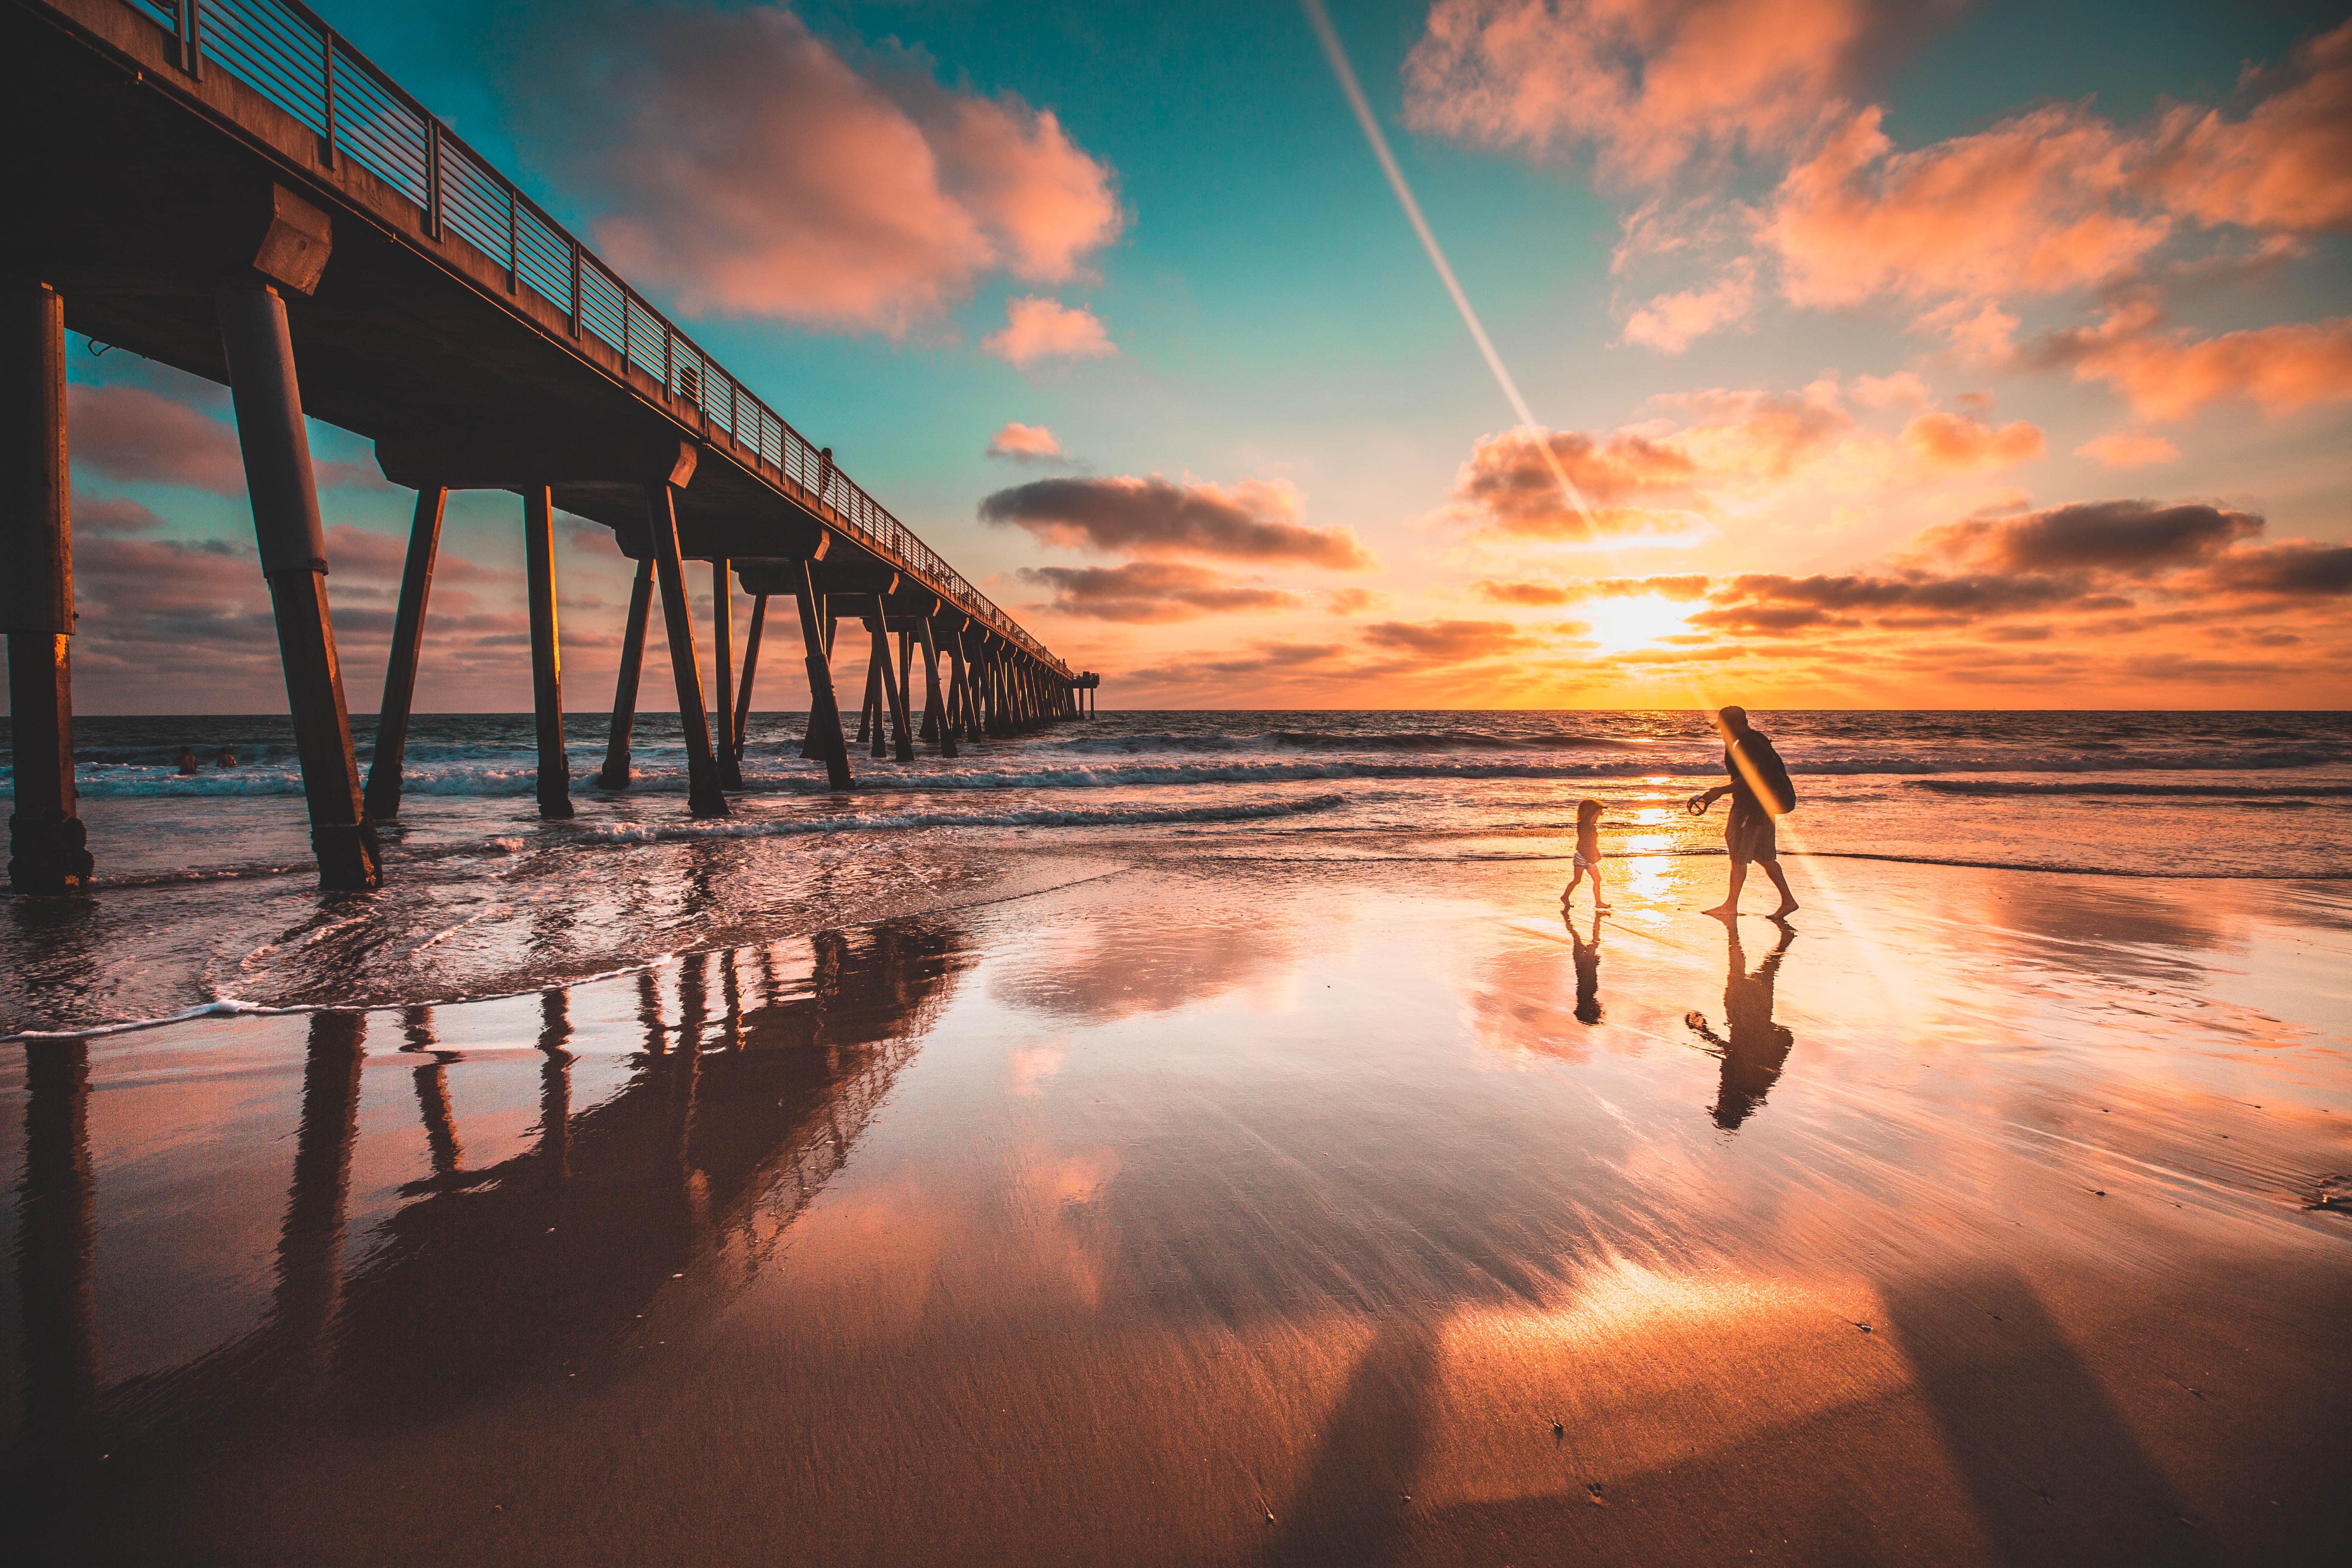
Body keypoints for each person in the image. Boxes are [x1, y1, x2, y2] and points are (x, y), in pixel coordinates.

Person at [1687, 706, 1798, 919]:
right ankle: (1789, 901)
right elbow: (1735, 769)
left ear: (1737, 725)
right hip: (1762, 806)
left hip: (1752, 807)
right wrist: (1729, 743)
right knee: (1764, 856)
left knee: (1739, 853)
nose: (1723, 732)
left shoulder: (1750, 745)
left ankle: (1730, 906)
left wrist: (1719, 792)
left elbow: (1749, 779)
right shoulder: (1754, 740)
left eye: (1726, 728)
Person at [1560, 798, 1611, 913]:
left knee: (1595, 879)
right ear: (1589, 814)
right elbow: (1584, 844)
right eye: (1596, 816)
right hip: (1582, 857)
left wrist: (1596, 854)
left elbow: (1593, 844)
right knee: (1580, 879)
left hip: (1587, 857)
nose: (1597, 819)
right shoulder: (1583, 826)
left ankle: (1598, 902)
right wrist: (1591, 857)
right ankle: (1566, 897)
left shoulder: (1591, 826)